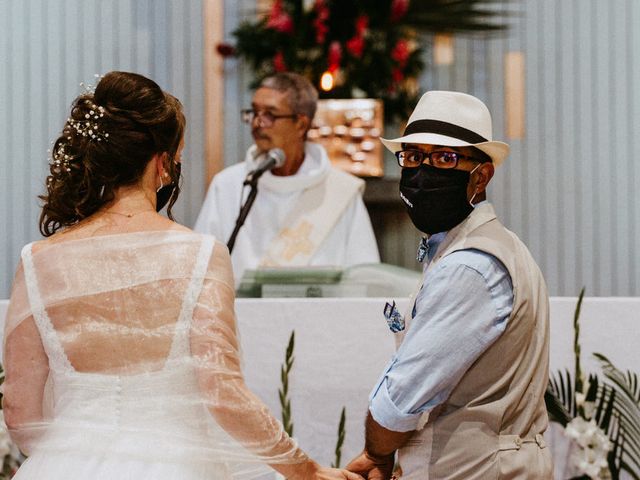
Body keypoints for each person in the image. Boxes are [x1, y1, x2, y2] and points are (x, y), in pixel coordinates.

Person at [2, 71, 363, 480]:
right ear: (162, 164)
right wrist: (305, 470)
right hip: (174, 466)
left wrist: (74, 451)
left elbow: (19, 412)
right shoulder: (198, 254)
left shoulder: (37, 260)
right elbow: (223, 392)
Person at [346, 91, 553, 479]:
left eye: (444, 158)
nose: (422, 173)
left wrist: (376, 453)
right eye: (412, 156)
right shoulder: (495, 248)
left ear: (483, 174)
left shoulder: (470, 267)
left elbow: (399, 401)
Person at [194, 72, 379, 285]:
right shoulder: (228, 185)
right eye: (254, 112)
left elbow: (364, 277)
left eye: (270, 114)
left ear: (301, 124)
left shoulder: (340, 191)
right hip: (243, 316)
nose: (256, 122)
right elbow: (204, 270)